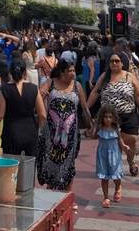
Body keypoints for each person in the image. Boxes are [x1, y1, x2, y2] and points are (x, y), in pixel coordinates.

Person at [87, 53, 139, 176]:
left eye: (117, 61)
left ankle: (131, 161)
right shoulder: (104, 77)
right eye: (112, 61)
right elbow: (95, 92)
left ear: (122, 63)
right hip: (109, 118)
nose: (114, 63)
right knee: (113, 141)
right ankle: (113, 166)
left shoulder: (129, 77)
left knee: (132, 139)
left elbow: (138, 95)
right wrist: (86, 108)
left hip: (128, 115)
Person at [36, 59, 91, 199]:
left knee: (68, 163)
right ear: (62, 72)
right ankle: (49, 195)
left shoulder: (77, 86)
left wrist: (91, 125)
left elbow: (84, 108)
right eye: (70, 71)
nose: (73, 73)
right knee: (50, 161)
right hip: (51, 134)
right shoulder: (50, 83)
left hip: (70, 134)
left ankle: (67, 197)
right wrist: (42, 98)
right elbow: (38, 98)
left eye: (74, 70)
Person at [0, 58, 46, 156]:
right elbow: (42, 114)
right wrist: (38, 129)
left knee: (10, 168)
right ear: (25, 72)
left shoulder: (5, 89)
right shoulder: (33, 88)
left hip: (10, 133)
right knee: (29, 167)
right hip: (30, 133)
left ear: (10, 72)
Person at [95, 105, 132, 209]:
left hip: (114, 154)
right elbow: (92, 135)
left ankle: (117, 188)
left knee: (115, 175)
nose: (107, 119)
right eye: (105, 117)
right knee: (104, 177)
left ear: (114, 118)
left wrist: (124, 146)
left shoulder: (115, 128)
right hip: (102, 154)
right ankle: (106, 197)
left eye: (110, 117)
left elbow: (120, 139)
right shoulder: (100, 127)